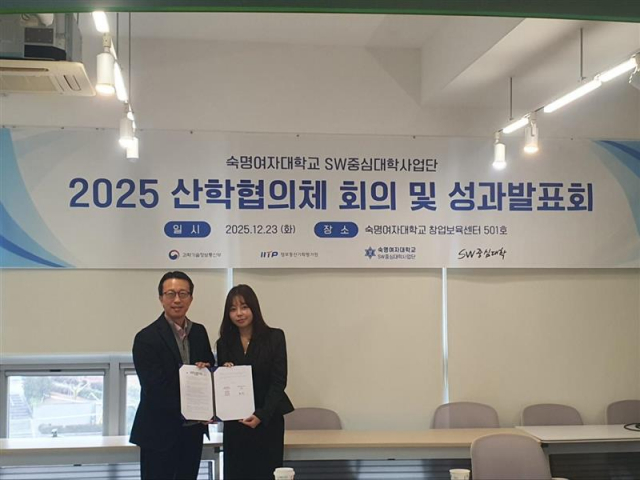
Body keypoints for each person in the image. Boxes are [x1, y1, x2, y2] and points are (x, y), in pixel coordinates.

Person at [130, 271, 215, 480]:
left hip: (192, 434)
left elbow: (209, 371)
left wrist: (206, 370)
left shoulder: (199, 332)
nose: (177, 300)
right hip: (159, 433)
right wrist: (193, 409)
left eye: (183, 294)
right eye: (170, 294)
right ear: (161, 298)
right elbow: (154, 388)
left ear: (191, 298)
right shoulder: (146, 338)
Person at [216, 284, 294, 480]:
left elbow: (279, 382)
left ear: (254, 308)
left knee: (266, 473)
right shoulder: (224, 343)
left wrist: (261, 414)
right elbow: (223, 383)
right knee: (236, 473)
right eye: (233, 309)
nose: (239, 313)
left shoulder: (274, 337)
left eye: (244, 307)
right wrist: (224, 371)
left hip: (267, 420)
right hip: (236, 423)